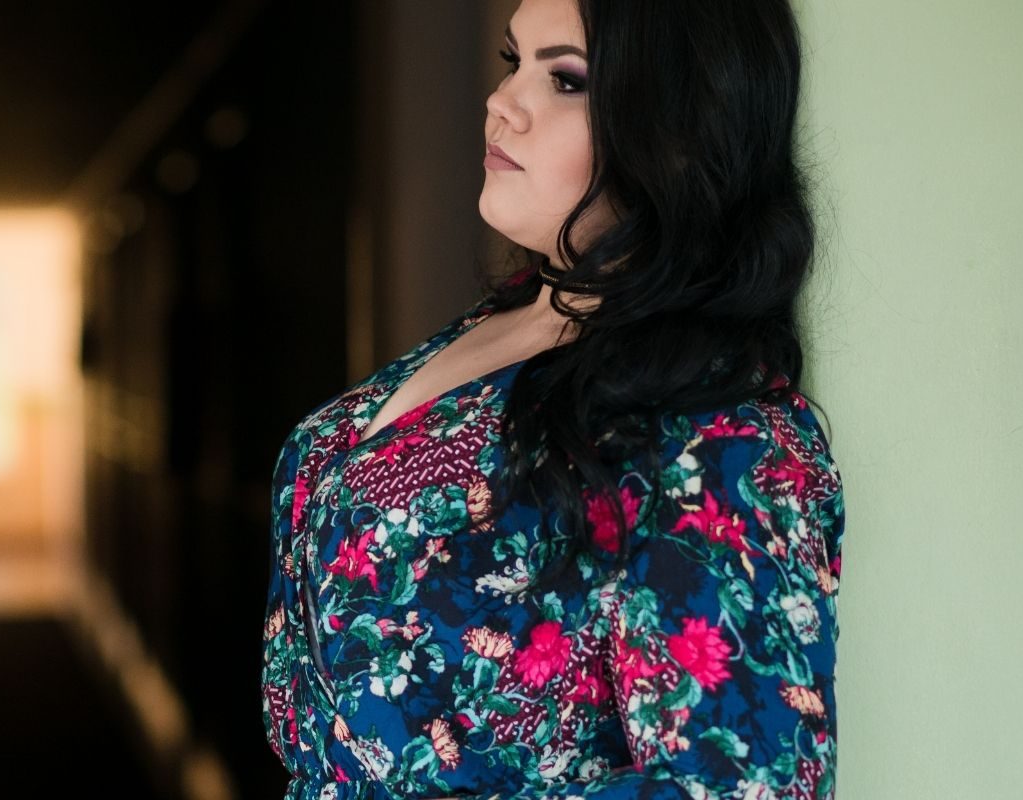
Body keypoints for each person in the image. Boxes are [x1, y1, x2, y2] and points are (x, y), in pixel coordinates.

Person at [259, 0, 843, 797]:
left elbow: (736, 784)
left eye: (565, 79)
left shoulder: (715, 432)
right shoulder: (503, 323)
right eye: (513, 62)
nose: (501, 103)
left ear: (676, 132)